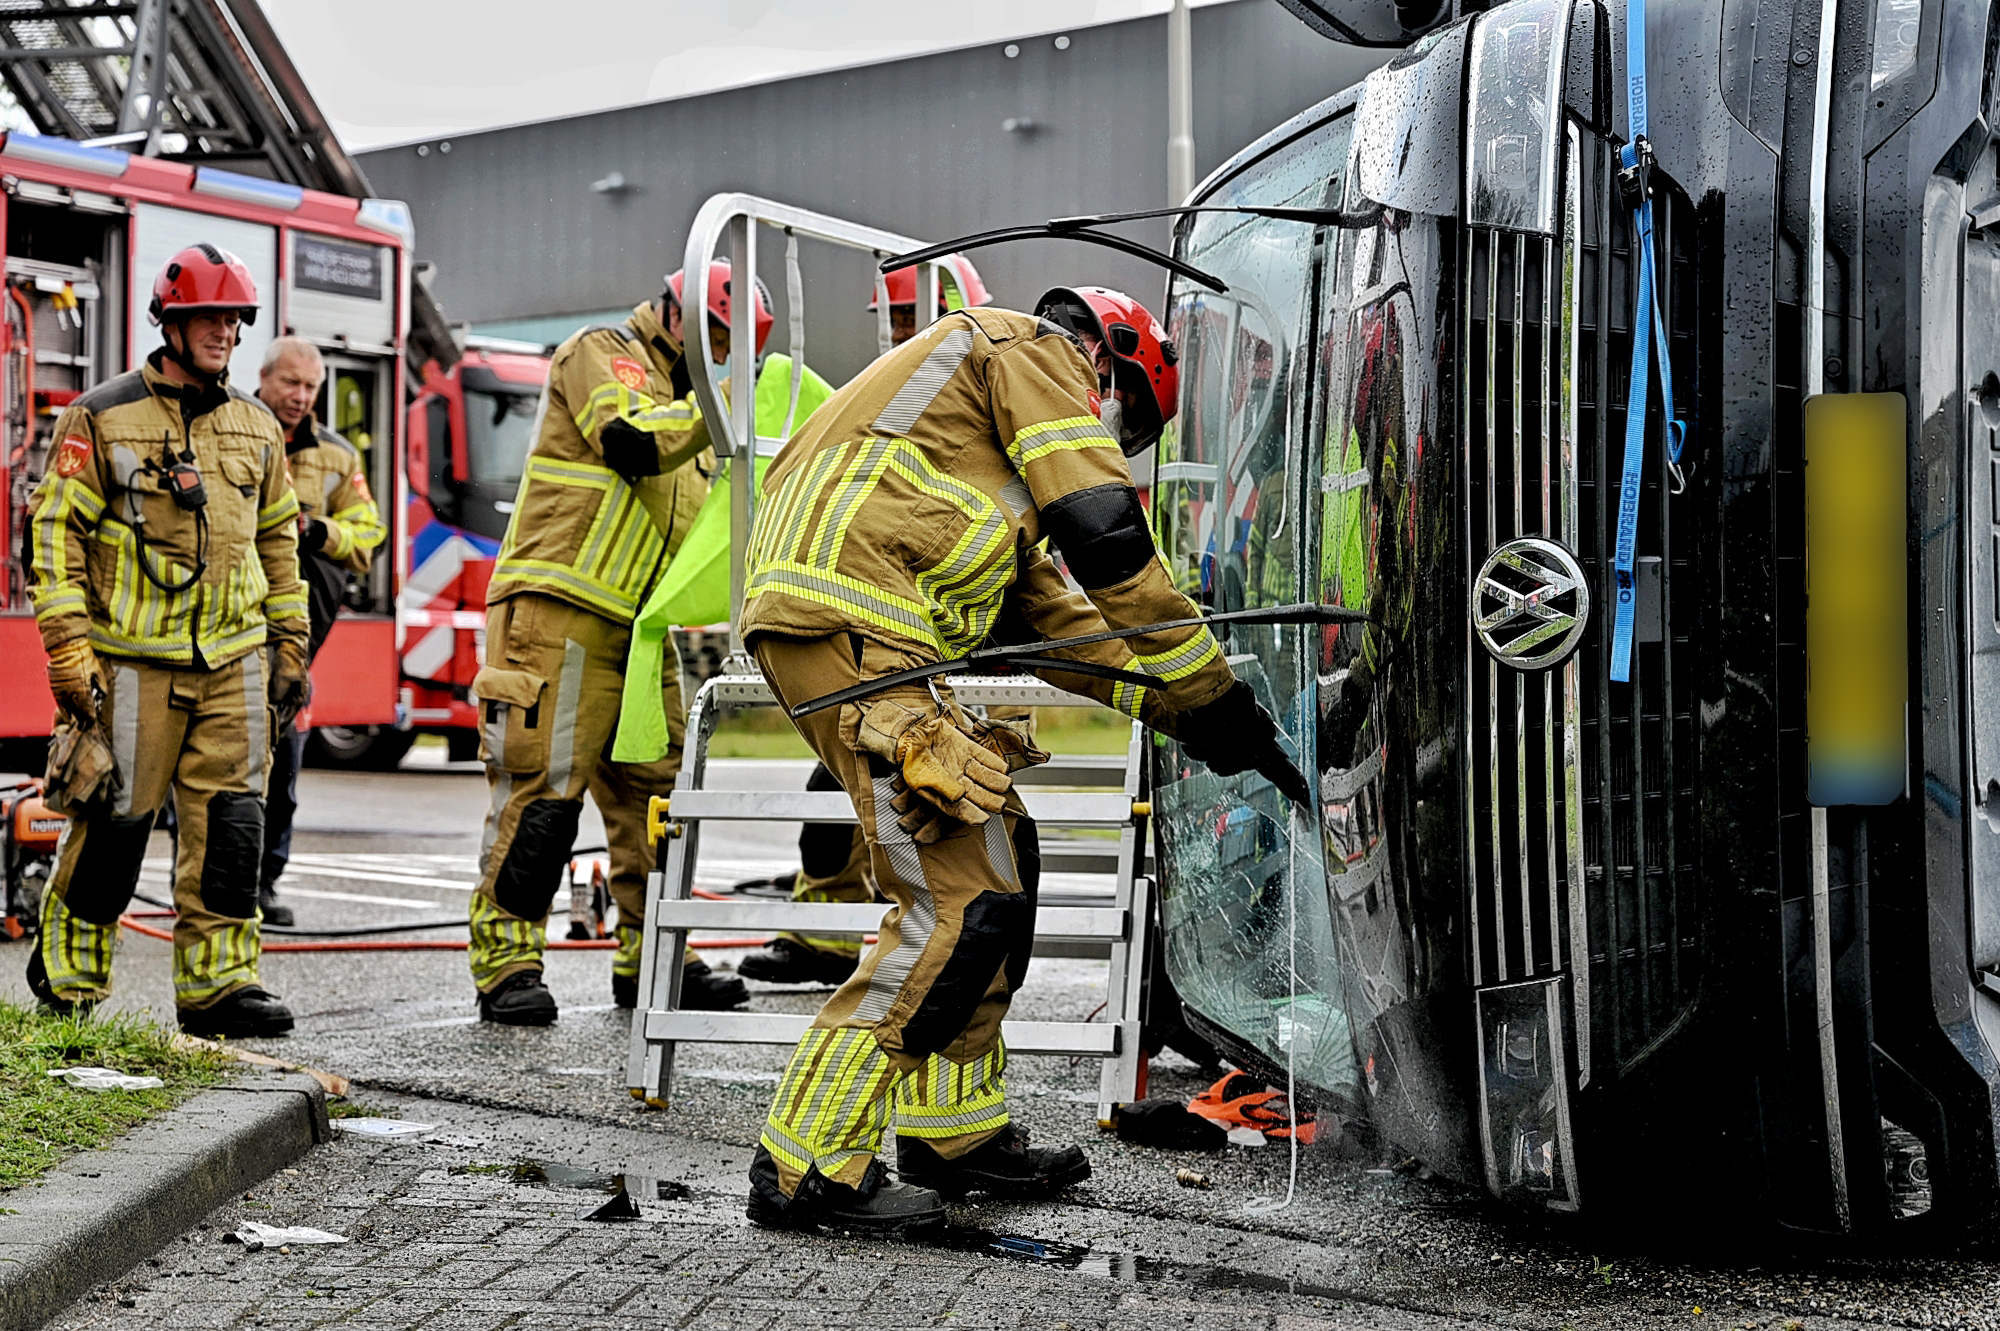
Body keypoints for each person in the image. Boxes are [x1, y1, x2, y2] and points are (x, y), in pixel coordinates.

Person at [738, 285, 1298, 1235]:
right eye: (1130, 419)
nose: (1114, 438)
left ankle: (954, 1131)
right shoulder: (1034, 349)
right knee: (961, 895)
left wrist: (1206, 722)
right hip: (855, 618)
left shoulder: (968, 455)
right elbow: (1110, 539)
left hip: (860, 617)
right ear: (1111, 360)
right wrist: (1210, 689)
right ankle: (803, 1163)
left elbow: (1065, 631)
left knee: (1003, 851)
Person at [468, 261, 770, 1025]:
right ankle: (507, 962)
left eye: (735, 349)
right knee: (541, 796)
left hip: (638, 633)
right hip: (557, 613)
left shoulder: (699, 406)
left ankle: (657, 957)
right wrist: (723, 402)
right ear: (683, 315)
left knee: (662, 798)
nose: (725, 358)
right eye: (720, 340)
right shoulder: (602, 352)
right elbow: (630, 440)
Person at [25, 244, 310, 1038]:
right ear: (172, 322)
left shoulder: (256, 428)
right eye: (210, 317)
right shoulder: (103, 415)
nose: (226, 331)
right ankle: (72, 976)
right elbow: (54, 536)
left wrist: (290, 644)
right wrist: (68, 650)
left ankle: (219, 985)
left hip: (234, 663)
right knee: (115, 823)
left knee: (232, 828)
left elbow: (279, 542)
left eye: (234, 318)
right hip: (130, 664)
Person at [735, 254, 995, 988]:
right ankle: (823, 928)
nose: (905, 332)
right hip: (887, 640)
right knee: (842, 792)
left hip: (958, 649)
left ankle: (935, 956)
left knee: (941, 829)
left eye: (916, 317)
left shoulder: (978, 396)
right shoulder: (891, 402)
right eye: (896, 319)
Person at [253, 338, 386, 927]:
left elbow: (368, 534)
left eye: (310, 387)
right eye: (290, 383)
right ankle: (214, 888)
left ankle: (262, 884)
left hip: (294, 640)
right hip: (228, 628)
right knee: (222, 770)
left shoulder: (335, 455)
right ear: (263, 379)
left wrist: (319, 532)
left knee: (282, 766)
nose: (300, 397)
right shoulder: (233, 429)